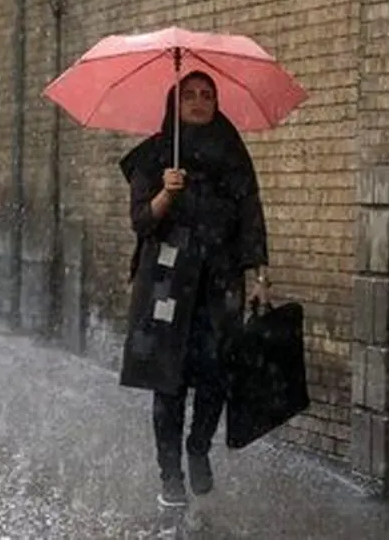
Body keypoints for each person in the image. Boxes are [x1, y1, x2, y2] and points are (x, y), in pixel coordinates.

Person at [117, 70, 270, 511]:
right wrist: (166, 193)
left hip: (220, 281)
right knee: (168, 381)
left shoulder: (232, 153)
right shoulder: (155, 155)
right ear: (175, 103)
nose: (200, 102)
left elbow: (251, 216)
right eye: (190, 96)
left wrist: (259, 275)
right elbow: (142, 222)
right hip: (167, 281)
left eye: (208, 95)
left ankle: (198, 445)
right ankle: (170, 476)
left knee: (217, 373)